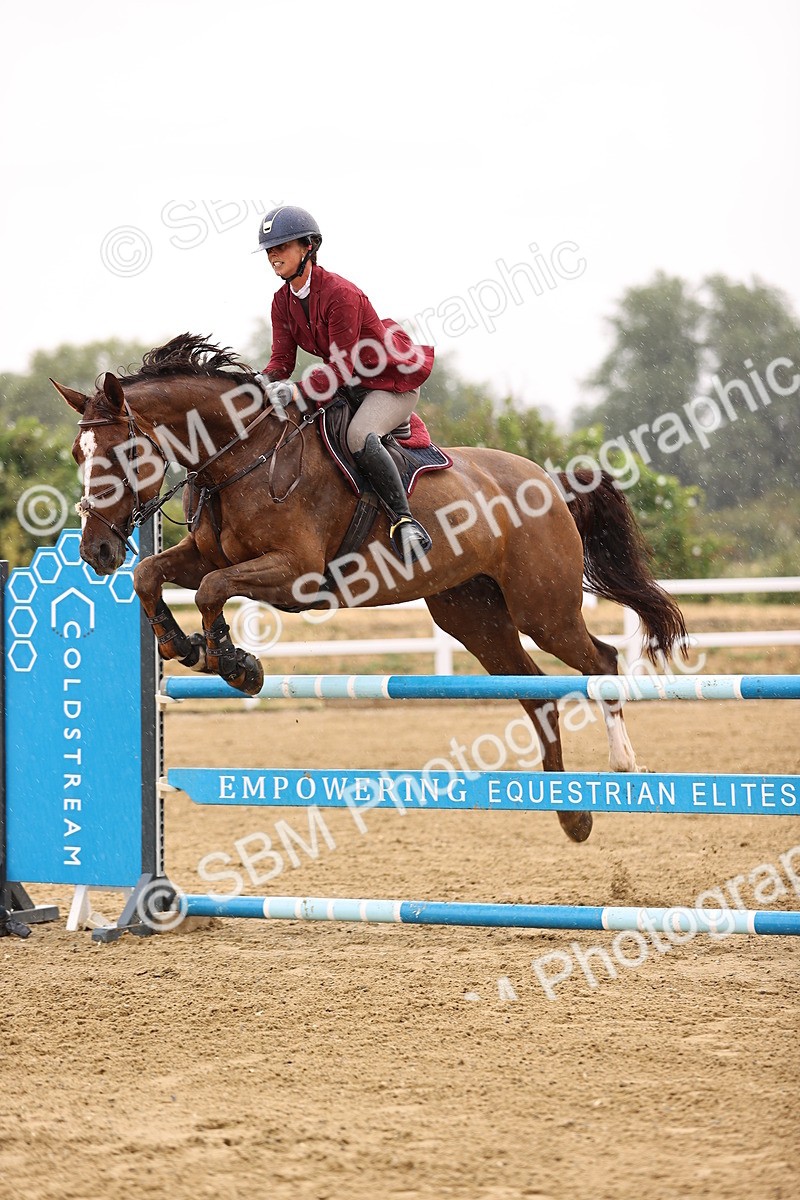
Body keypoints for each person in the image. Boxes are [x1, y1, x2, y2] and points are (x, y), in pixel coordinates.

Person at [255, 205, 434, 564]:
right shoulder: (281, 302)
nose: (273, 255)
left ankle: (404, 521)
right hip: (348, 386)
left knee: (358, 438)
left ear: (309, 247)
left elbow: (342, 365)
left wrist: (296, 390)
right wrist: (254, 386)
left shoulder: (340, 293)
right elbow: (281, 363)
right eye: (269, 249)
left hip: (388, 385)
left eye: (282, 246)